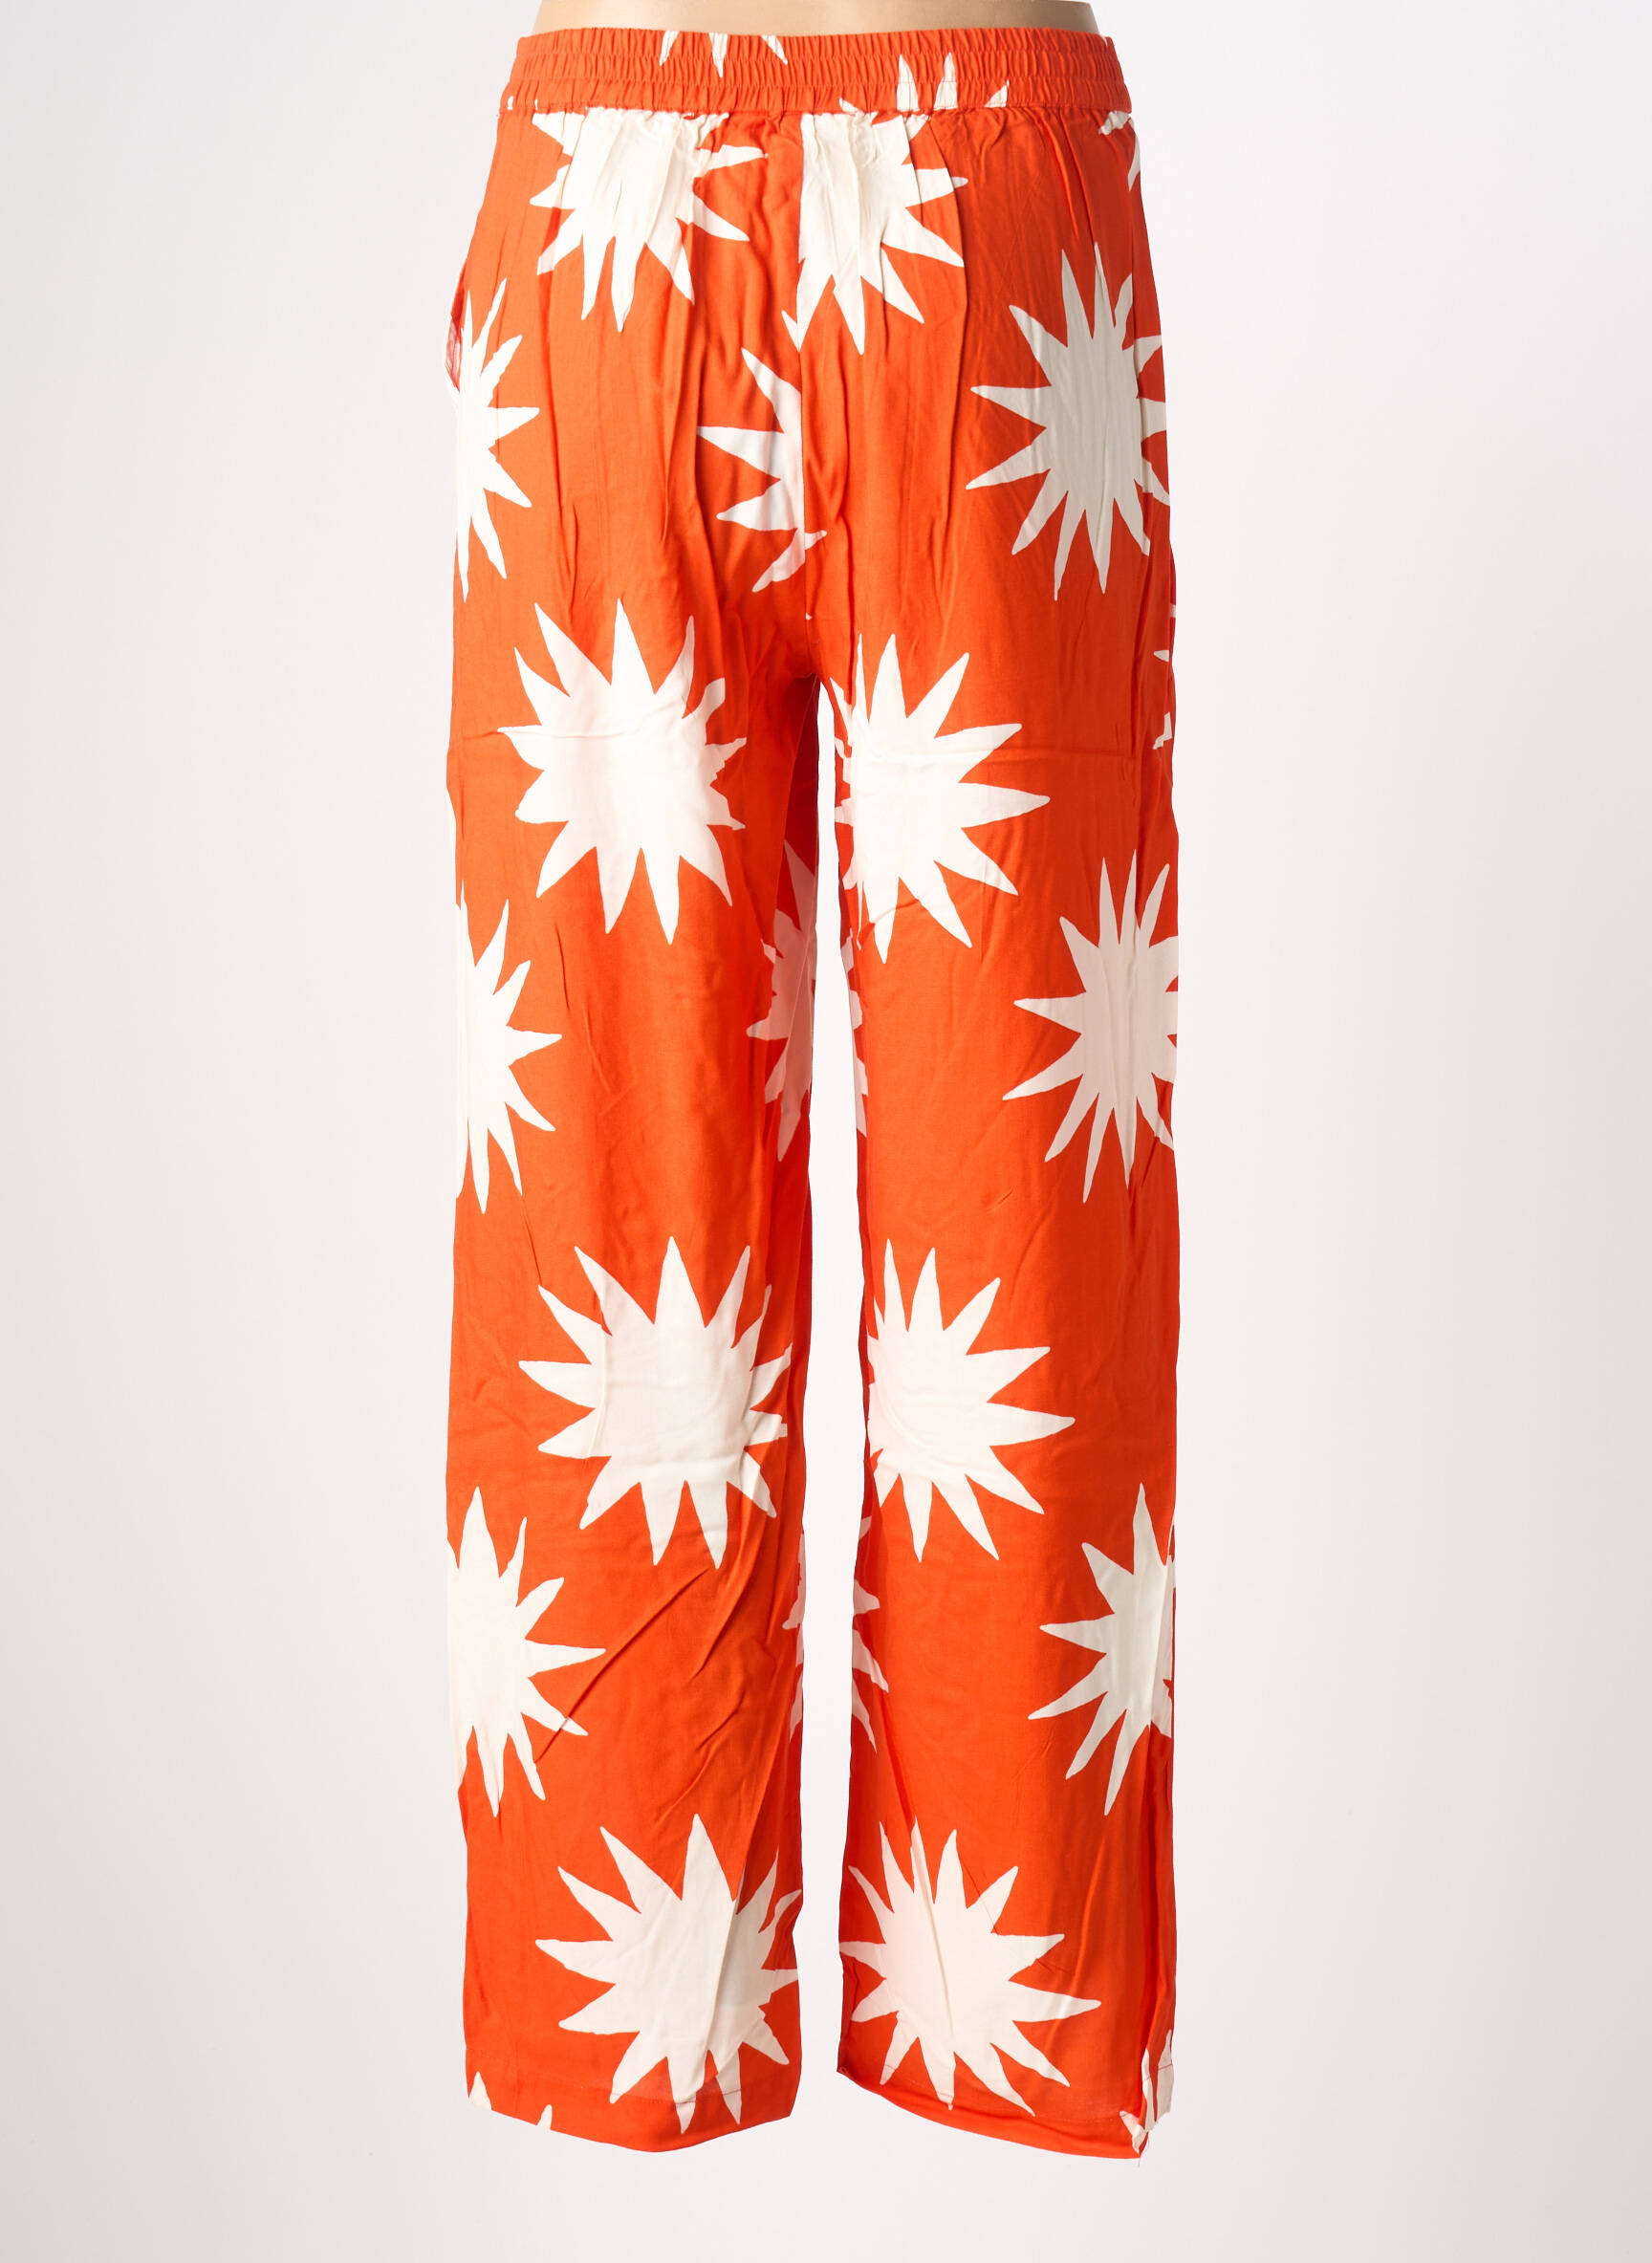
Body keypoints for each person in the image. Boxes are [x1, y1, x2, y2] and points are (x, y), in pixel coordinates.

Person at [446, 1, 1181, 2155]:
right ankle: (638, 2015)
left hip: (987, 201)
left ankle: (1004, 2004)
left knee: (1023, 1217)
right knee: (607, 1225)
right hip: (620, 209)